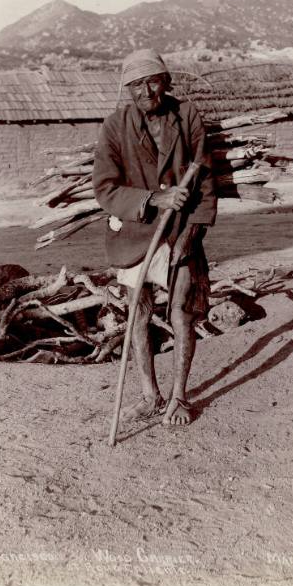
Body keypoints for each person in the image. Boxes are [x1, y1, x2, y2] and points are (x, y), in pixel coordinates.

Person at [93, 48, 217, 426]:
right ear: (127, 89)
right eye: (135, 85)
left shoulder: (187, 115)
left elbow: (205, 182)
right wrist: (152, 198)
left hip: (180, 231)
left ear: (165, 81)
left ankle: (178, 398)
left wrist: (190, 236)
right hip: (134, 233)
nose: (145, 91)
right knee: (138, 315)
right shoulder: (115, 126)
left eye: (152, 81)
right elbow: (105, 188)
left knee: (180, 313)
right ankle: (150, 395)